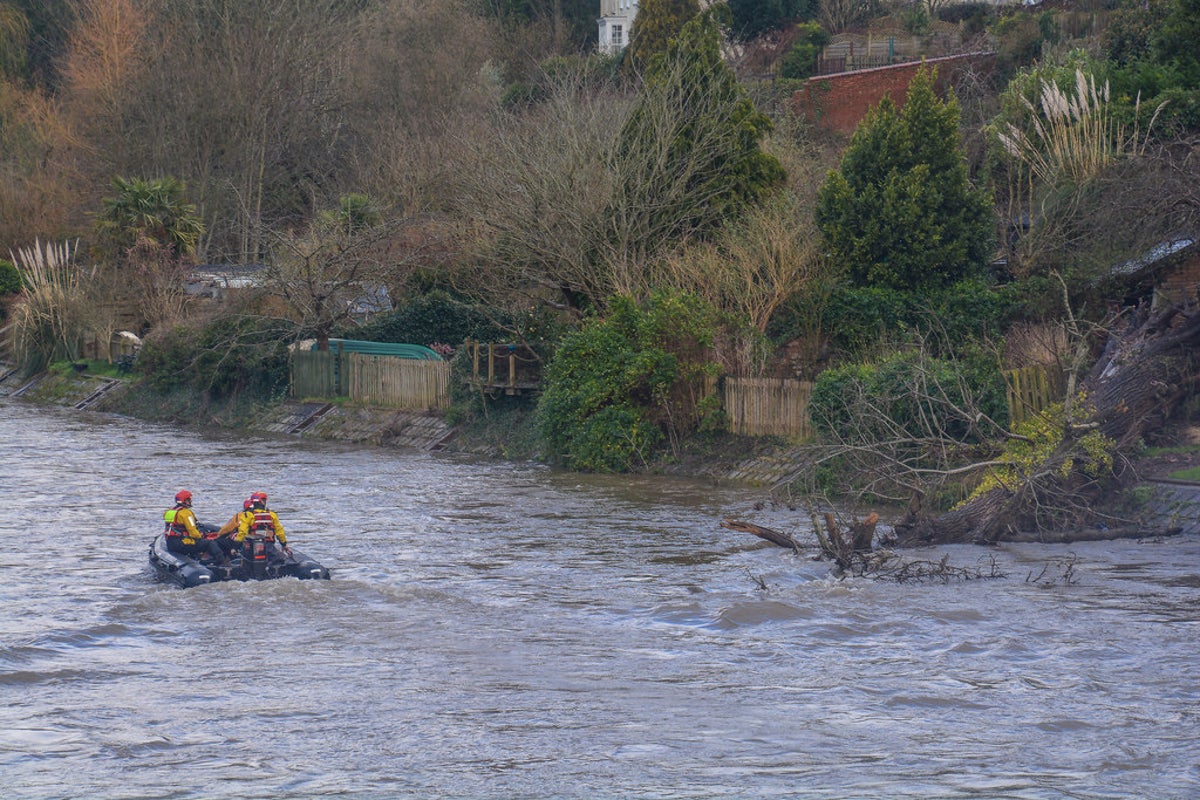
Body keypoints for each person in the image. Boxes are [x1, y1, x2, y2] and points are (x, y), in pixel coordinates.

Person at [163, 490, 226, 563]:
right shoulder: (186, 513)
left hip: (171, 543)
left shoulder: (170, 511)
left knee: (196, 541)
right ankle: (221, 561)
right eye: (189, 500)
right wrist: (202, 536)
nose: (190, 501)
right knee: (209, 543)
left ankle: (197, 556)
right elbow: (193, 532)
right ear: (185, 501)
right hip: (182, 544)